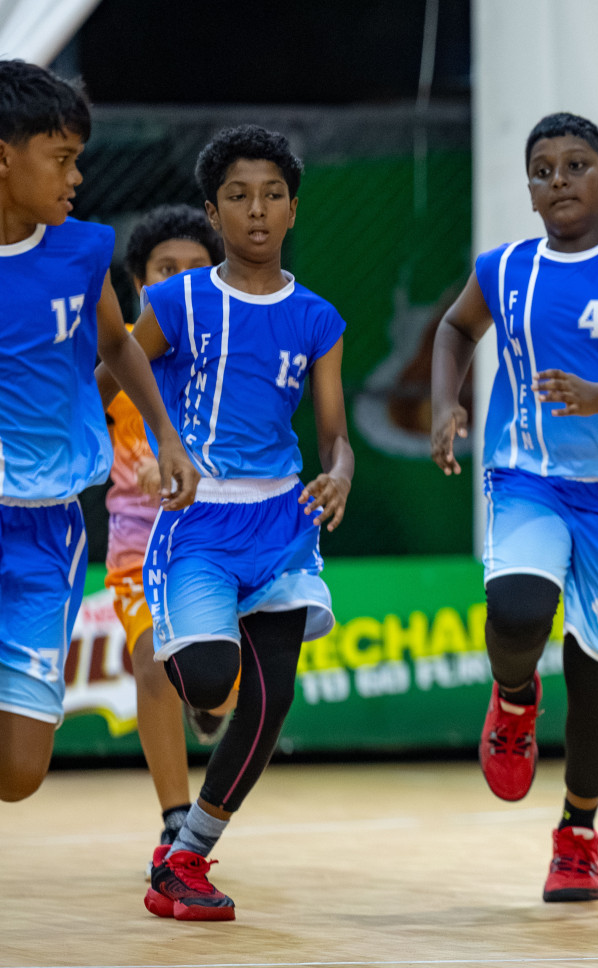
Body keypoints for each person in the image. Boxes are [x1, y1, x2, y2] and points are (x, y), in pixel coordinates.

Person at [430, 112, 598, 903]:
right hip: (529, 477)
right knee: (518, 611)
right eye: (543, 169)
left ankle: (578, 833)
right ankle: (514, 698)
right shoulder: (505, 269)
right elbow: (454, 328)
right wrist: (447, 404)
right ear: (530, 191)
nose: (559, 179)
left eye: (577, 165)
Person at [100, 125, 352, 921]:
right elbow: (113, 369)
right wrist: (152, 437)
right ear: (215, 211)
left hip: (282, 523)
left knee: (270, 701)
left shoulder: (317, 318)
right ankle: (205, 680)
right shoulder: (175, 301)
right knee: (208, 679)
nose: (258, 210)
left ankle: (187, 854)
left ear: (293, 209)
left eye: (273, 195)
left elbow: (334, 434)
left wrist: (340, 472)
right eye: (238, 196)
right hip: (198, 522)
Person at [0, 60, 199, 803]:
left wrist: (166, 435)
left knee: (20, 774)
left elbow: (117, 344)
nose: (76, 176)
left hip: (49, 527)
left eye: (78, 158)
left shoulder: (83, 251)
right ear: (4, 157)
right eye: (61, 158)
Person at [107, 206, 233, 871]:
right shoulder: (117, 353)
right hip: (139, 543)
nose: (181, 282)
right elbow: (73, 422)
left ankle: (209, 705)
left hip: (223, 536)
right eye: (165, 270)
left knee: (222, 682)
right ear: (138, 283)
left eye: (195, 270)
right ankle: (176, 819)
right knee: (152, 657)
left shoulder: (235, 348)